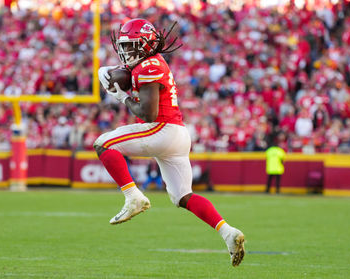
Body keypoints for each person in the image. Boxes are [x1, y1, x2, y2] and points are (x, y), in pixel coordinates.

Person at [94, 18, 245, 266]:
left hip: (161, 128)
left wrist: (122, 97)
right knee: (183, 196)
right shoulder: (151, 61)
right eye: (125, 45)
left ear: (145, 44)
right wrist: (111, 73)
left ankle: (133, 196)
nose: (126, 50)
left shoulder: (149, 67)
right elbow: (126, 72)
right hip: (176, 134)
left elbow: (148, 113)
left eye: (131, 45)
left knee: (103, 143)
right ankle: (228, 232)